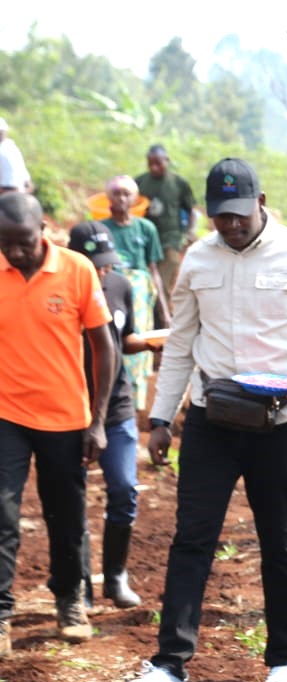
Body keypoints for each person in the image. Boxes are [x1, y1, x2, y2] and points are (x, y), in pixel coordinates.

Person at [123, 158, 287, 682]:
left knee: (280, 539)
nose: (230, 225)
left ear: (261, 203)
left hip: (281, 420)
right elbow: (180, 342)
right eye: (220, 216)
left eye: (239, 215)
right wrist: (160, 419)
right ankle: (169, 666)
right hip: (213, 419)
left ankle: (284, 660)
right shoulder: (198, 258)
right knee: (192, 539)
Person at [0, 192, 114, 655]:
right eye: (5, 243)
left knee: (65, 515)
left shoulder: (76, 269)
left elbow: (104, 347)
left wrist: (98, 421)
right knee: (2, 514)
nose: (15, 252)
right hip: (5, 413)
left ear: (43, 230)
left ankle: (69, 601)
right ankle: (1, 613)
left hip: (65, 416)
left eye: (23, 242)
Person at [68, 221, 163, 608]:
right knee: (71, 500)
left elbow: (122, 340)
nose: (103, 270)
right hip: (69, 408)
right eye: (96, 263)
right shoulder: (61, 289)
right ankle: (79, 586)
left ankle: (115, 575)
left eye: (108, 262)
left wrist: (154, 343)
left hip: (116, 406)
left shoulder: (119, 285)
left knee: (124, 489)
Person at [102, 175, 168, 411]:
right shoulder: (103, 229)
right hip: (112, 291)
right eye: (116, 193)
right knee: (111, 339)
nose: (121, 198)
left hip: (140, 294)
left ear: (135, 199)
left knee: (138, 342)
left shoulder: (146, 229)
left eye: (126, 194)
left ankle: (133, 405)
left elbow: (153, 271)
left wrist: (164, 312)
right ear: (108, 198)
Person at [135, 144, 198, 301]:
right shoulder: (140, 182)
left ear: (167, 160)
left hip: (171, 239)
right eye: (150, 164)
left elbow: (191, 210)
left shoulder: (179, 183)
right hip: (146, 240)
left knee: (163, 283)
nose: (154, 167)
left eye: (158, 163)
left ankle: (165, 313)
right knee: (147, 282)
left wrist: (190, 232)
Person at [0, 117, 32, 194]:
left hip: (6, 190)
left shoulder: (4, 149)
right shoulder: (12, 147)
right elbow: (28, 182)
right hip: (22, 190)